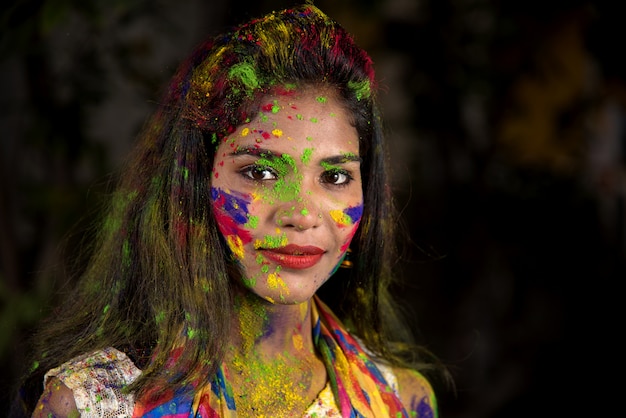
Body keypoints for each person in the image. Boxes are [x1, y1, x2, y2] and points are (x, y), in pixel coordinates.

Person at [16, 4, 441, 417]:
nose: (302, 214)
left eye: (334, 178)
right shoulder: (96, 403)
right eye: (260, 172)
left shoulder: (401, 402)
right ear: (195, 181)